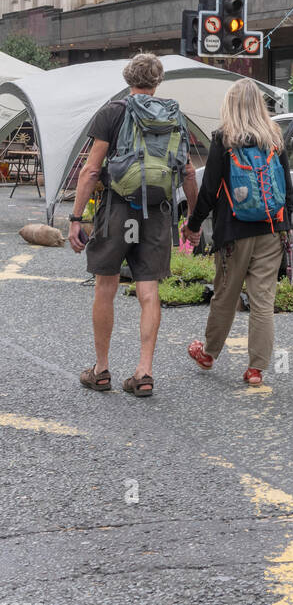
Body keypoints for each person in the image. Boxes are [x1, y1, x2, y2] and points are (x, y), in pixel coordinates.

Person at [70, 53, 198, 398]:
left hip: (117, 209)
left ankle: (100, 370)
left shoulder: (113, 112)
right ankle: (144, 372)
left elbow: (91, 170)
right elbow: (186, 171)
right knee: (148, 288)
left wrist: (75, 217)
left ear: (128, 78)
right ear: (158, 82)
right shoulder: (174, 115)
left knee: (106, 285)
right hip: (157, 212)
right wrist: (193, 221)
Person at [186, 78, 293, 386]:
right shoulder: (274, 136)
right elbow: (286, 187)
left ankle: (208, 353)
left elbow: (208, 192)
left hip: (234, 231)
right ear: (260, 105)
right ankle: (256, 369)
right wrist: (285, 227)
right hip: (272, 230)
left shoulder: (224, 138)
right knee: (263, 301)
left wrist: (193, 227)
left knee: (225, 294)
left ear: (230, 105)